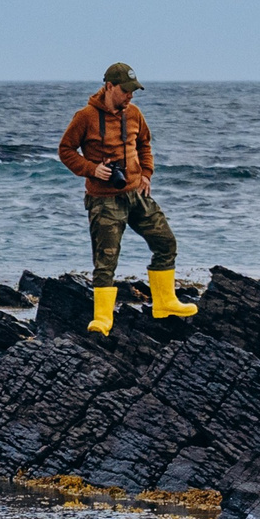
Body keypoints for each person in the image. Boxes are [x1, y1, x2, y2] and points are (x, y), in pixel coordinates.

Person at [55, 62, 195, 334]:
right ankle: (103, 319)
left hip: (137, 194)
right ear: (109, 87)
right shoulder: (85, 116)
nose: (131, 95)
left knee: (166, 242)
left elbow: (144, 144)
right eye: (126, 90)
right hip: (104, 201)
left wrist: (146, 174)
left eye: (134, 90)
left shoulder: (134, 113)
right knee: (105, 262)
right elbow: (66, 150)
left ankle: (164, 302)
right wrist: (92, 169)